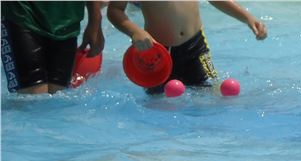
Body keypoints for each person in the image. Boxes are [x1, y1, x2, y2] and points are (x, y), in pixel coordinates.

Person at [107, 1, 266, 94]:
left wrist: (248, 18)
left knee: (214, 91)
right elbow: (115, 10)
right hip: (159, 54)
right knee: (159, 102)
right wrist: (135, 32)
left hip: (197, 47)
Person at [1, 1, 104, 94]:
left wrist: (95, 21)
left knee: (57, 97)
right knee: (32, 99)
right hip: (20, 13)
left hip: (67, 17)